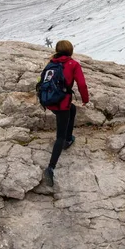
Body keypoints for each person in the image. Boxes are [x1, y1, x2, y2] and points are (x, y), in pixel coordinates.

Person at [43, 40, 89, 187]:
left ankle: (69, 139)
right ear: (70, 51)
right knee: (59, 136)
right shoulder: (73, 64)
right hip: (61, 103)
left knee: (72, 109)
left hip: (49, 101)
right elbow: (81, 84)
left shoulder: (51, 64)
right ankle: (50, 168)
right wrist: (85, 99)